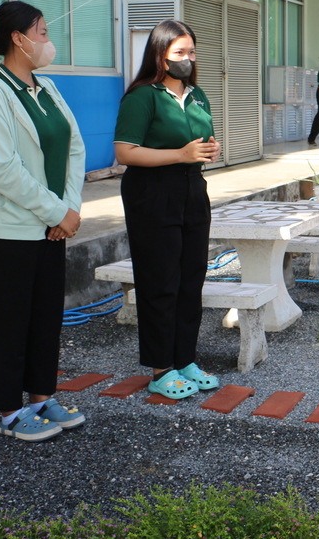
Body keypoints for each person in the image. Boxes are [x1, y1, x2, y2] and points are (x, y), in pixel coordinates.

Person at [0, 1, 87, 442]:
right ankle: (9, 411)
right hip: (8, 229)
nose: (48, 41)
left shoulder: (47, 87)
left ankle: (40, 398)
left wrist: (68, 209)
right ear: (18, 40)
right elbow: (2, 169)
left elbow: (74, 147)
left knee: (44, 318)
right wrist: (57, 212)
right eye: (42, 32)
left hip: (51, 226)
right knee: (8, 321)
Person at [114, 20, 222, 400]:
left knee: (191, 278)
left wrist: (208, 150)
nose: (187, 58)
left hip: (192, 188)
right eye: (180, 52)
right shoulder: (143, 96)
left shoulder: (197, 95)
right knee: (160, 281)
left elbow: (199, 141)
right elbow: (125, 152)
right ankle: (161, 369)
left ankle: (185, 359)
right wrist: (181, 154)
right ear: (160, 56)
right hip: (152, 192)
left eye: (191, 51)